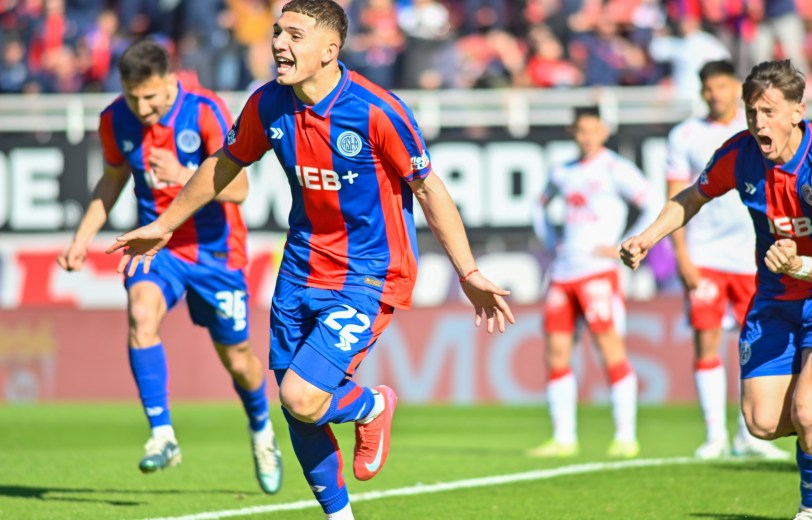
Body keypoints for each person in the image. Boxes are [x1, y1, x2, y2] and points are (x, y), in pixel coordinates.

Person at [106, 2, 515, 519]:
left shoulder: (375, 109)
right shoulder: (268, 104)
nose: (279, 43)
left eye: (295, 35)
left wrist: (469, 272)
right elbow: (224, 164)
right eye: (277, 32)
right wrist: (164, 225)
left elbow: (429, 189)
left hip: (366, 275)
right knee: (299, 410)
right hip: (299, 271)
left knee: (301, 395)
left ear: (330, 49)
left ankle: (372, 405)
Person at [620, 59, 812, 520]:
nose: (758, 123)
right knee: (761, 423)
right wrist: (647, 238)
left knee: (806, 408)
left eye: (770, 112)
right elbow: (690, 197)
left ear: (798, 111)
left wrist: (801, 262)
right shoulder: (739, 153)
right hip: (776, 295)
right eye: (752, 112)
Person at [58, 39, 282, 494]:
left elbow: (240, 191)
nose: (142, 107)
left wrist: (185, 175)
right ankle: (163, 434)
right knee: (141, 313)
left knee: (239, 361)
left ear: (170, 82)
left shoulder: (204, 111)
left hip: (215, 252)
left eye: (151, 97)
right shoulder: (114, 119)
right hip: (156, 245)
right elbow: (113, 179)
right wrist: (81, 239)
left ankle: (262, 431)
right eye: (132, 96)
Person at [666, 59, 788, 460]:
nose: (714, 94)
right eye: (708, 87)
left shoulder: (758, 129)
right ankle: (715, 434)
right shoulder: (684, 135)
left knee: (752, 344)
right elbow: (678, 195)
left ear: (733, 87)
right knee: (706, 340)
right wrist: (681, 255)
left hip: (754, 256)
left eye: (721, 86)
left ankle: (747, 434)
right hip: (706, 255)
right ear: (701, 91)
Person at [528, 107, 653, 459]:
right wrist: (552, 243)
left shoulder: (615, 168)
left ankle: (625, 436)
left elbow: (651, 202)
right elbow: (538, 206)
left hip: (598, 270)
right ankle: (563, 437)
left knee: (609, 347)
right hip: (563, 271)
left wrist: (626, 244)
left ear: (604, 131)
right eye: (581, 130)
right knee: (556, 352)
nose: (587, 136)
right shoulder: (563, 171)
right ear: (573, 131)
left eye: (593, 130)